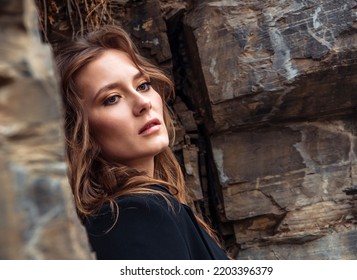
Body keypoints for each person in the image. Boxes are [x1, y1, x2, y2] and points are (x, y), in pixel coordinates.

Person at [55, 25, 229, 260]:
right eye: (112, 98)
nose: (143, 103)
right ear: (78, 132)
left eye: (143, 85)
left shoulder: (141, 210)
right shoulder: (133, 214)